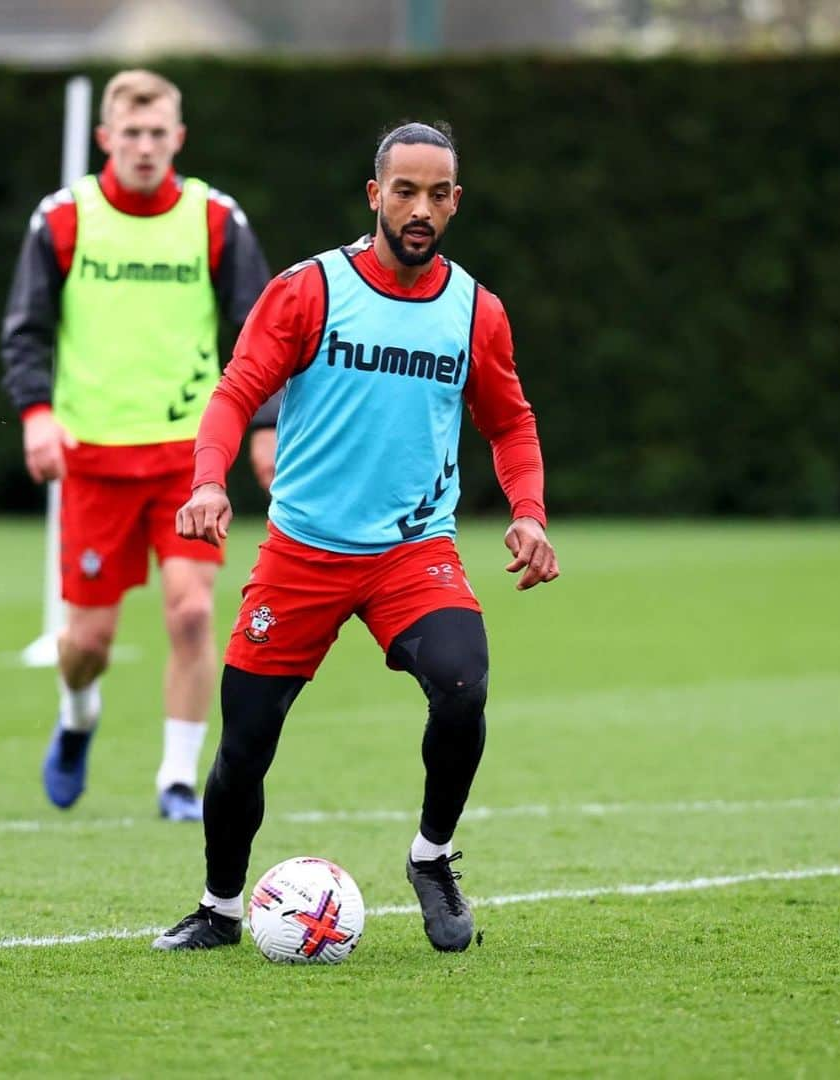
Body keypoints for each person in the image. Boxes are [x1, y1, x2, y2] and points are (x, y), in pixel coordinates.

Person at [152, 121, 558, 954]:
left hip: (412, 552)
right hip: (302, 551)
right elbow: (234, 395)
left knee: (463, 685)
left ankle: (432, 857)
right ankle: (221, 908)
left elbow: (509, 422)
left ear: (454, 203)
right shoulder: (310, 291)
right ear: (375, 195)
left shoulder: (475, 311)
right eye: (404, 191)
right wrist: (206, 482)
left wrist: (528, 511)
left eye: (437, 194)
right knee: (245, 747)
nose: (419, 208)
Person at [0, 69, 279, 822]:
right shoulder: (64, 218)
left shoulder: (215, 218)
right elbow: (25, 329)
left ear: (179, 139)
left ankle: (178, 780)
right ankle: (77, 718)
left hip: (192, 460)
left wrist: (262, 424)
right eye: (132, 133)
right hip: (93, 460)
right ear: (106, 139)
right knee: (88, 640)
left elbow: (259, 330)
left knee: (191, 614)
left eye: (159, 134)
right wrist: (34, 414)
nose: (146, 146)